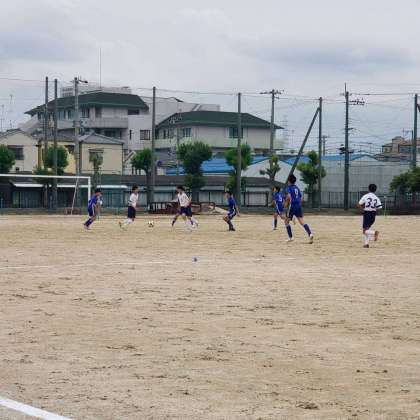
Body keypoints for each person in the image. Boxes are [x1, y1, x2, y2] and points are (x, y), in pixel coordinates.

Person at [284, 174, 314, 243]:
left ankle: (291, 237)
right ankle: (310, 234)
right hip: (298, 205)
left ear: (289, 181)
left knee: (286, 221)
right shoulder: (297, 188)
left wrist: (286, 203)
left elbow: (288, 196)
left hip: (292, 205)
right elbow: (301, 198)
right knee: (302, 221)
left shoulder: (289, 188)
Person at [357, 184, 382, 248]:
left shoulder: (365, 196)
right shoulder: (376, 197)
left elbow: (359, 204)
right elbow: (379, 207)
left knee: (364, 231)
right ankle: (366, 244)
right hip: (373, 214)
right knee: (368, 229)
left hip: (367, 213)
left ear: (368, 189)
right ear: (375, 190)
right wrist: (375, 211)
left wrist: (363, 210)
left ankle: (375, 233)